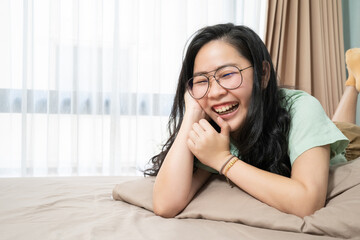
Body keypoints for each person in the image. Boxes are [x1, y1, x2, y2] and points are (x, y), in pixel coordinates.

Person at [144, 23, 360, 218]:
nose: (215, 92)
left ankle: (352, 83)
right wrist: (191, 113)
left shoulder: (302, 108)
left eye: (227, 74)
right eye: (201, 81)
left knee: (346, 132)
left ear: (263, 74)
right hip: (315, 130)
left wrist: (223, 161)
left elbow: (307, 203)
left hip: (347, 145)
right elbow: (165, 205)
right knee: (336, 125)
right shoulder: (213, 126)